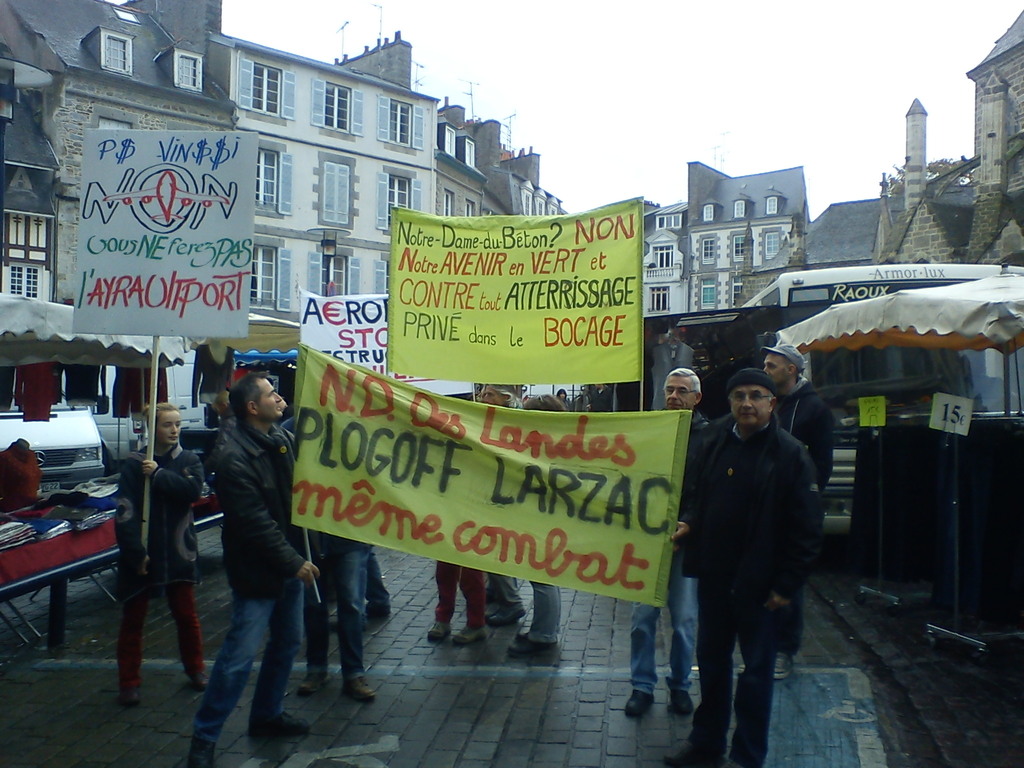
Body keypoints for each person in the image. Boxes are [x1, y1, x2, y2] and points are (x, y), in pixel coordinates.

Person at [665, 368, 822, 768]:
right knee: (714, 668)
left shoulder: (790, 455)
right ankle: (706, 744)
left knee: (755, 675)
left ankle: (747, 756)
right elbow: (700, 491)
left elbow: (806, 529)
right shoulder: (716, 437)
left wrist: (787, 585)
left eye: (756, 395)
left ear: (772, 402)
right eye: (738, 396)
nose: (746, 404)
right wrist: (692, 522)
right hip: (715, 579)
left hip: (761, 586)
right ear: (729, 401)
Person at [186, 373, 319, 768]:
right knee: (238, 657)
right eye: (272, 394)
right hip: (260, 570)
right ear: (252, 407)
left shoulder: (282, 439)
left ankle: (266, 715)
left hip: (290, 563)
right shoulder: (233, 458)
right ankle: (204, 737)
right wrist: (294, 561)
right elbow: (254, 522)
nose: (280, 399)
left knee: (286, 643)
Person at [625, 368, 705, 717]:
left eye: (681, 391)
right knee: (642, 618)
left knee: (685, 620)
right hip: (650, 540)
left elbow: (710, 490)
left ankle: (680, 686)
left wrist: (690, 521)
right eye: (669, 390)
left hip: (688, 542)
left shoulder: (711, 436)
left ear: (696, 398)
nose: (674, 396)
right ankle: (642, 686)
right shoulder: (650, 431)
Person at [114, 402, 205, 706]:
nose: (175, 430)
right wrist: (134, 553)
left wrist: (160, 474)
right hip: (145, 552)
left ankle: (196, 669)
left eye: (177, 424)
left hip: (179, 551)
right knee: (133, 619)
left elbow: (192, 492)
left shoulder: (190, 460)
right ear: (152, 427)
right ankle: (128, 681)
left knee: (186, 615)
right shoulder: (133, 465)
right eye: (168, 425)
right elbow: (125, 511)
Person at [762, 343, 834, 680]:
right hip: (763, 504)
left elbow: (822, 463)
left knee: (789, 579)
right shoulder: (769, 404)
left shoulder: (814, 409)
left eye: (771, 366)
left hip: (792, 506)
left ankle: (785, 650)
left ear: (791, 369)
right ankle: (764, 644)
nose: (766, 371)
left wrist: (804, 496)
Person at [507, 393, 566, 657]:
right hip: (543, 517)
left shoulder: (544, 446)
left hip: (542, 518)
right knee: (543, 577)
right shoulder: (556, 443)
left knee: (542, 577)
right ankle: (545, 630)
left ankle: (544, 634)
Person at [296, 534, 377, 700]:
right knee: (314, 606)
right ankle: (318, 669)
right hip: (313, 538)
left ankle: (352, 673)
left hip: (349, 536)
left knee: (351, 604)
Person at [478, 384, 528, 628]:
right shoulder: (487, 420)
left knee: (495, 548)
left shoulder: (511, 423)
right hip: (490, 491)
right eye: (482, 393)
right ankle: (498, 590)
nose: (482, 398)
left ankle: (511, 602)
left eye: (489, 394)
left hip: (503, 495)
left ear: (505, 399)